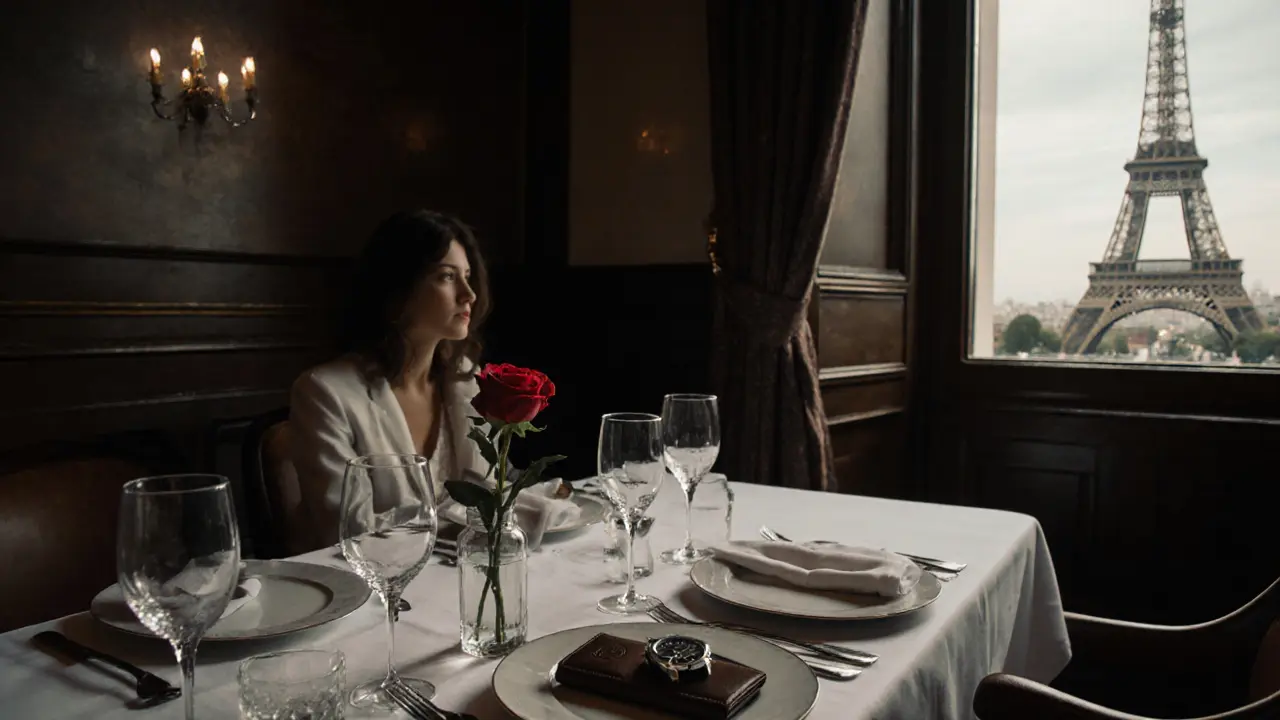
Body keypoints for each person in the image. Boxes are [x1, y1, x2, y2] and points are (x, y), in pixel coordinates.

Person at [289, 209, 491, 549]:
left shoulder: (463, 379)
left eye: (468, 276)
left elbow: (490, 496)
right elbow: (347, 532)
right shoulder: (326, 392)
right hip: (373, 586)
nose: (468, 294)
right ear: (399, 287)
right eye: (446, 277)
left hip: (462, 573)